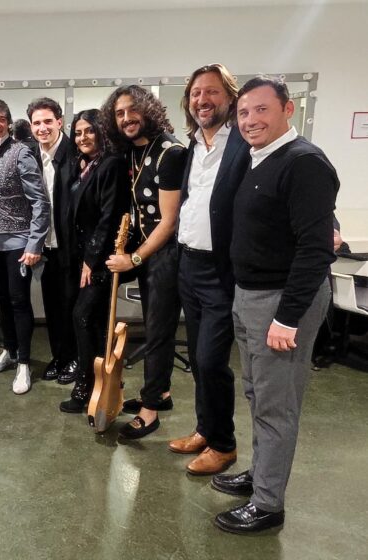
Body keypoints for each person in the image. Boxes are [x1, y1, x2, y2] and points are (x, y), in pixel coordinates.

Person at [213, 77, 338, 534]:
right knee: (257, 395)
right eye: (244, 112)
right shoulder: (257, 157)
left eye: (262, 110)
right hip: (250, 295)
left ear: (288, 109)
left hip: (281, 302)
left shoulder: (303, 161)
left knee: (276, 405)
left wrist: (287, 317)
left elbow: (315, 249)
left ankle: (268, 504)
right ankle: (261, 474)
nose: (251, 120)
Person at [170, 64, 250, 475]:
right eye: (197, 94)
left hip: (221, 271)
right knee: (201, 362)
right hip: (189, 264)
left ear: (230, 97)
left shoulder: (244, 143)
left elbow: (282, 184)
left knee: (211, 359)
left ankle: (224, 445)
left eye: (212, 92)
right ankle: (206, 428)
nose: (203, 100)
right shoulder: (193, 146)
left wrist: (332, 226)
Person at [101, 85, 187, 439]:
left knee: (158, 330)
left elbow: (168, 221)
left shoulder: (171, 152)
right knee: (155, 328)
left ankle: (150, 411)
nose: (126, 119)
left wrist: (133, 258)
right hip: (150, 254)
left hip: (167, 255)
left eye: (131, 111)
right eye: (119, 114)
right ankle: (161, 393)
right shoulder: (134, 153)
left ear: (148, 110)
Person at [0, 98, 49, 395]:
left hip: (18, 243)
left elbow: (40, 202)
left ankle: (24, 364)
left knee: (19, 302)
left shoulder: (21, 153)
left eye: (2, 119)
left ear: (8, 122)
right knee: (2, 300)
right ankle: (9, 351)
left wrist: (34, 243)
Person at [59, 110, 131, 413]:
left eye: (89, 131)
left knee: (82, 316)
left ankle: (85, 385)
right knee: (96, 320)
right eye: (77, 133)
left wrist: (91, 261)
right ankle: (106, 381)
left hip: (100, 260)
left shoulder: (111, 164)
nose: (83, 137)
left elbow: (109, 217)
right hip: (83, 255)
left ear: (102, 132)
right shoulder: (85, 165)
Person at [27, 97, 80, 384]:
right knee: (52, 308)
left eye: (48, 121)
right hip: (46, 248)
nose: (42, 128)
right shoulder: (32, 156)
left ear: (60, 122)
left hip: (71, 248)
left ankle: (74, 358)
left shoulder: (75, 155)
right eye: (37, 123)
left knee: (73, 308)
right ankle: (59, 356)